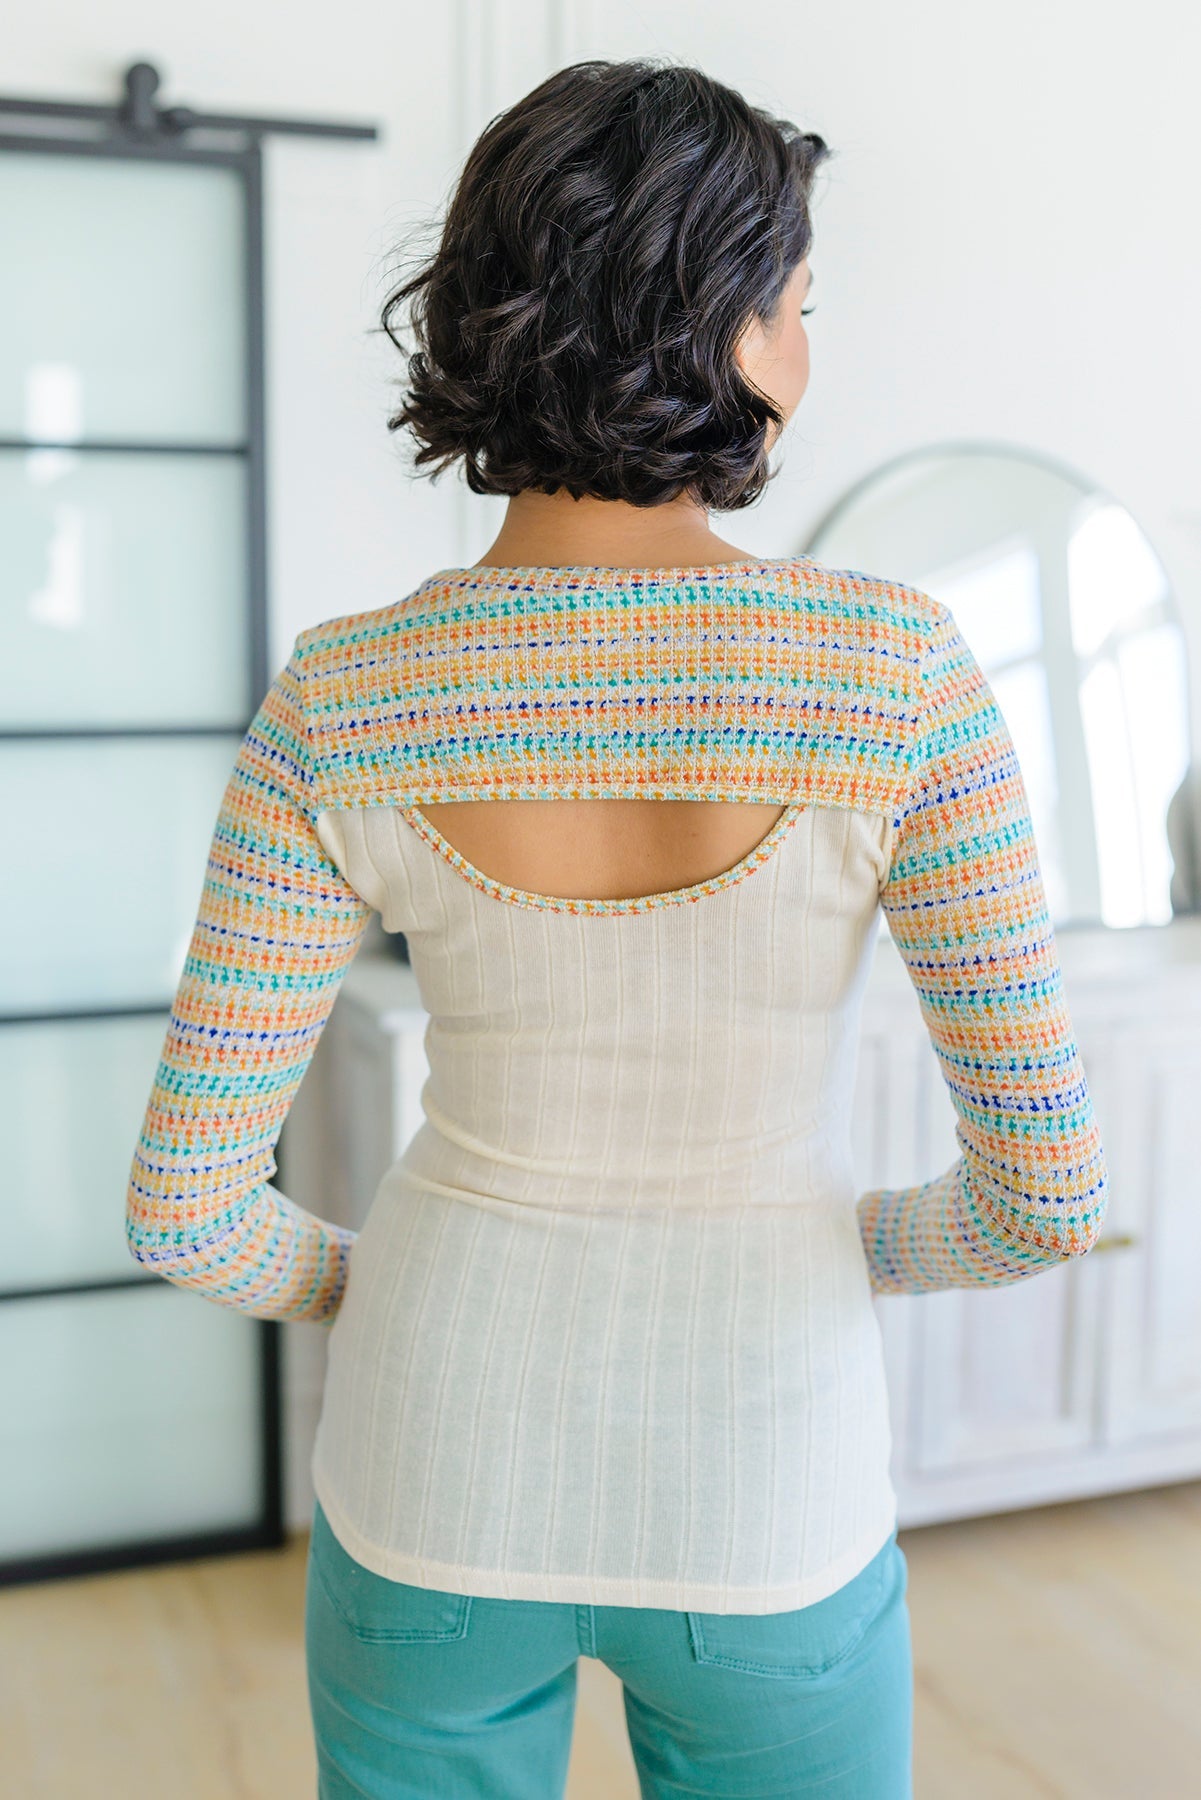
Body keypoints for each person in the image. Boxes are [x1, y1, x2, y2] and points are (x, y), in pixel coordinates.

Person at [125, 57, 1110, 1799]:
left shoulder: (344, 695)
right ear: (723, 329)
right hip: (765, 1475)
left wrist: (396, 1281)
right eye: (796, 306)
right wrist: (847, 1244)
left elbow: (186, 1213)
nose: (803, 349)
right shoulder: (891, 673)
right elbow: (1046, 1193)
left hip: (430, 1465)